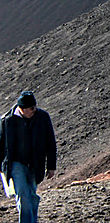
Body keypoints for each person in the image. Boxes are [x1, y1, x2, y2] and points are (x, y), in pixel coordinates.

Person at [0, 91, 57, 223]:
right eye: (31, 108)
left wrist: (51, 166)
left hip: (35, 163)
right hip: (15, 163)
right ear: (22, 109)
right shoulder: (7, 120)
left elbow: (50, 142)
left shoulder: (42, 117)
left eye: (34, 107)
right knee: (23, 195)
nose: (34, 110)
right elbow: (1, 144)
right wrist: (2, 167)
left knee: (31, 195)